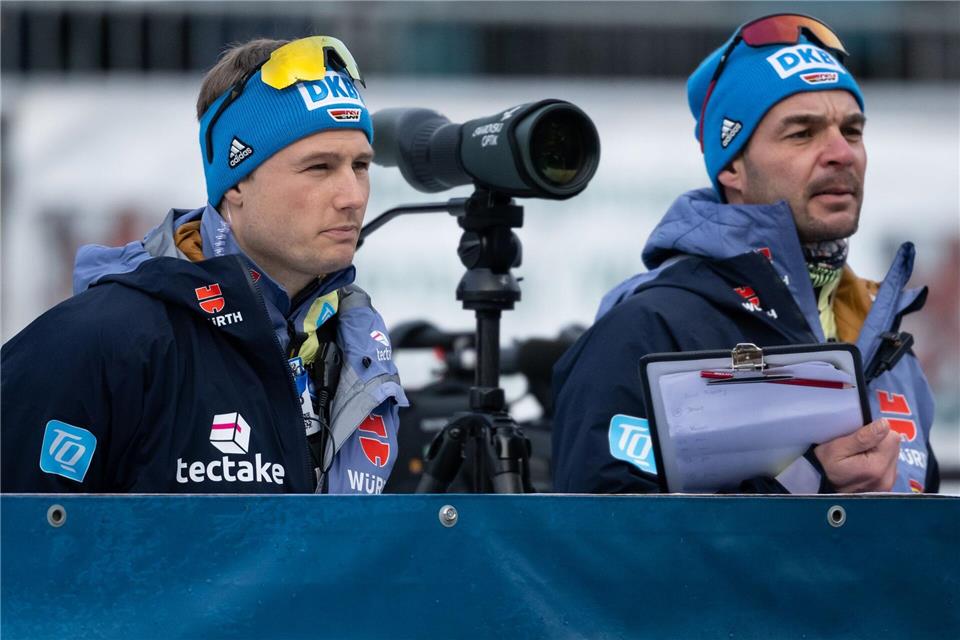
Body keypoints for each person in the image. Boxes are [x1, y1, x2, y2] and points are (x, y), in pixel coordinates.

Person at [1, 36, 407, 494]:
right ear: (235, 183)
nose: (352, 196)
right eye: (319, 168)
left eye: (360, 165)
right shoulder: (97, 342)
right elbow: (21, 551)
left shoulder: (357, 343)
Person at [552, 14, 939, 494]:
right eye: (803, 133)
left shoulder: (890, 345)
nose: (842, 152)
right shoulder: (651, 329)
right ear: (732, 166)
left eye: (853, 131)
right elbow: (600, 548)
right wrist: (807, 485)